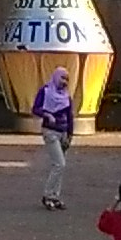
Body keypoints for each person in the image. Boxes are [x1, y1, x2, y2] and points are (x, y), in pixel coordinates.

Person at [32, 66, 74, 209]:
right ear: (56, 77)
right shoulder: (45, 91)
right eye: (62, 78)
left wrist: (70, 135)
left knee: (60, 166)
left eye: (67, 79)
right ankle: (47, 194)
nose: (65, 82)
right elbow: (35, 108)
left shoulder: (66, 95)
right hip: (50, 131)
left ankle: (55, 196)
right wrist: (47, 114)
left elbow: (70, 116)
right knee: (59, 164)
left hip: (63, 132)